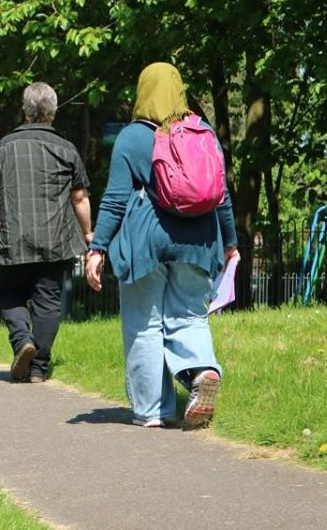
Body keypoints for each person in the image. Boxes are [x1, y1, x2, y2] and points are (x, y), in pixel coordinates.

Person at [85, 62, 237, 428]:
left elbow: (116, 198)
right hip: (199, 241)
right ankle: (201, 372)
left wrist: (98, 247)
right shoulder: (204, 133)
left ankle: (153, 411)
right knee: (189, 315)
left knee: (144, 324)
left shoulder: (132, 137)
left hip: (146, 244)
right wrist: (230, 243)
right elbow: (222, 197)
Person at [0, 82, 92, 383]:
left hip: (11, 239)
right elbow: (79, 198)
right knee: (48, 301)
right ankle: (39, 367)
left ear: (25, 111)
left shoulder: (3, 147)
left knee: (10, 295)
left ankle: (21, 341)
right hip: (55, 239)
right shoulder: (66, 149)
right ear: (53, 111)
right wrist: (88, 232)